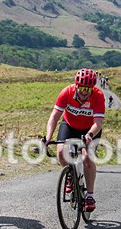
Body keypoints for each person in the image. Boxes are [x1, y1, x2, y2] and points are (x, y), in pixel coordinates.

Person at [44, 68, 105, 213]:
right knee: (60, 152)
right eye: (82, 88)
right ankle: (70, 174)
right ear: (76, 85)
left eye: (88, 89)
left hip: (90, 129)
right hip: (69, 125)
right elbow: (54, 117)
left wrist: (90, 134)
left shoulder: (98, 96)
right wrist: (48, 137)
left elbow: (98, 122)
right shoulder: (67, 92)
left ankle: (89, 196)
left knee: (87, 159)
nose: (84, 92)